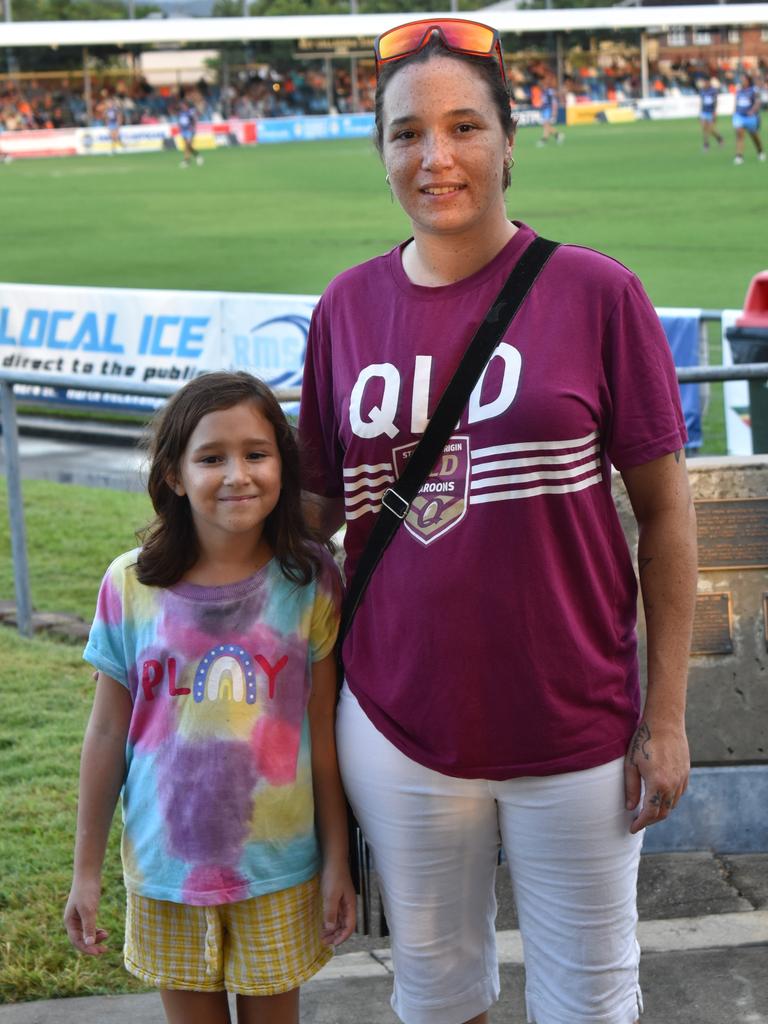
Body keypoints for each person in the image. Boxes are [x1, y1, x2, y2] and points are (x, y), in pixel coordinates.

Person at [298, 17, 697, 1024]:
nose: (435, 157)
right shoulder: (344, 310)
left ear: (510, 140)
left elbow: (665, 515)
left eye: (464, 126)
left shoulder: (598, 293)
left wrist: (667, 714)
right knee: (437, 996)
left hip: (576, 729)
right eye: (406, 133)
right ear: (380, 151)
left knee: (592, 999)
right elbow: (305, 525)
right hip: (396, 724)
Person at [64, 371, 355, 1024]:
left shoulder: (310, 581)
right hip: (168, 869)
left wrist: (338, 860)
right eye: (211, 457)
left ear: (283, 463)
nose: (238, 475)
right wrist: (86, 872)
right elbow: (108, 733)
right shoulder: (130, 584)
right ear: (172, 474)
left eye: (256, 453)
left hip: (279, 870)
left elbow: (323, 737)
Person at [732, 72, 765, 165]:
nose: (742, 81)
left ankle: (760, 151)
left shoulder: (753, 90)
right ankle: (739, 156)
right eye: (741, 79)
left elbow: (758, 102)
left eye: (743, 79)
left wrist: (752, 110)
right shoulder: (739, 91)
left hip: (750, 117)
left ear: (748, 80)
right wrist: (734, 111)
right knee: (739, 134)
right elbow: (736, 101)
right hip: (740, 116)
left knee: (754, 136)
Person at [537, 73, 564, 145]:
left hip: (548, 109)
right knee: (546, 125)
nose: (540, 85)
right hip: (545, 109)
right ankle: (557, 135)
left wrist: (554, 111)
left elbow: (554, 102)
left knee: (546, 125)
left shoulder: (549, 91)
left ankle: (545, 139)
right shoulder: (543, 92)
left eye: (541, 84)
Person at [699, 77, 723, 151]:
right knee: (704, 128)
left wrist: (715, 112)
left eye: (706, 82)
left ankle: (719, 138)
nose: (705, 84)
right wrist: (700, 111)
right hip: (704, 112)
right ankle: (706, 144)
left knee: (711, 129)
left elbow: (715, 102)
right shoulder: (702, 91)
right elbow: (702, 102)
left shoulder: (713, 91)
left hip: (711, 112)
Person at [178, 98, 203, 167]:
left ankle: (186, 160)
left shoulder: (191, 112)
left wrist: (193, 127)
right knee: (188, 146)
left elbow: (195, 119)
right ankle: (197, 155)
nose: (182, 106)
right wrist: (179, 127)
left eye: (183, 105)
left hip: (190, 130)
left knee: (187, 145)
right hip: (183, 130)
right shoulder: (181, 112)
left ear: (186, 105)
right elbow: (181, 121)